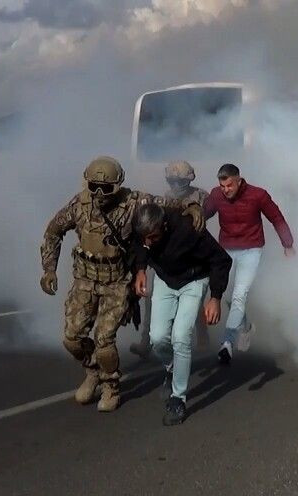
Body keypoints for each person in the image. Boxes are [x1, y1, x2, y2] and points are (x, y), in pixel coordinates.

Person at [40, 156, 205, 412]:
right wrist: (49, 269)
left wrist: (191, 207)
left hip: (116, 282)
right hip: (84, 281)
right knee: (72, 338)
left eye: (105, 188)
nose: (98, 193)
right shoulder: (79, 204)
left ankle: (110, 385)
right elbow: (53, 231)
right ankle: (92, 370)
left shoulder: (133, 201)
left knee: (104, 339)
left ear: (117, 186)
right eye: (93, 186)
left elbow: (167, 203)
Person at [132, 203, 231, 425]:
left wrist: (215, 297)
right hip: (166, 279)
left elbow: (221, 260)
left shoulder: (189, 230)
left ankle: (178, 399)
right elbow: (140, 245)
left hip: (193, 281)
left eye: (153, 237)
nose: (148, 243)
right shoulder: (141, 226)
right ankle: (171, 367)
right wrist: (140, 269)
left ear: (164, 226)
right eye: (144, 237)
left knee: (181, 336)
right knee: (157, 338)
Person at [204, 163, 295, 365]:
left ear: (239, 180)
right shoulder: (216, 195)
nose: (225, 190)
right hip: (226, 251)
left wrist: (287, 244)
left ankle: (226, 343)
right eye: (222, 186)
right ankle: (245, 327)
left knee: (239, 295)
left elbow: (276, 218)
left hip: (252, 250)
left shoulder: (258, 195)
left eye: (229, 185)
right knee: (224, 295)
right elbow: (202, 215)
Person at [130, 160, 210, 359]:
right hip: (164, 253)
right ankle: (146, 341)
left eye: (179, 181)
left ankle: (202, 335)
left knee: (195, 300)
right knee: (151, 299)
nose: (175, 186)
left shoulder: (202, 196)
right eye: (171, 181)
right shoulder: (165, 198)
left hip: (192, 253)